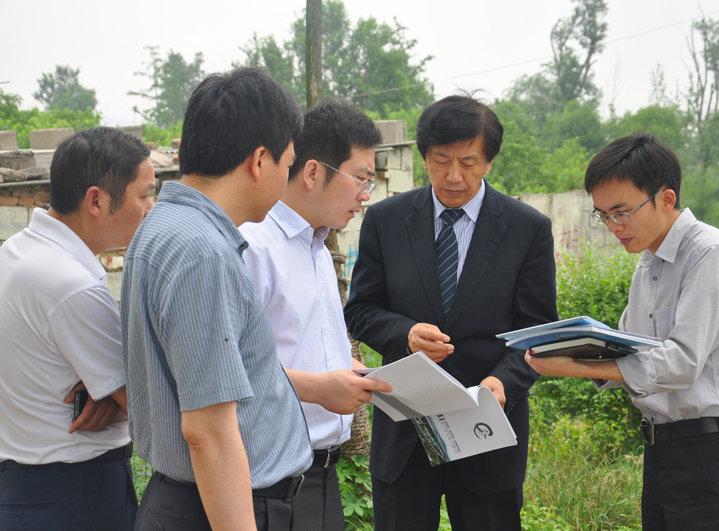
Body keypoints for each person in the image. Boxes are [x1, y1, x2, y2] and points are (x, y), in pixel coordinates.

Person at [526, 133, 719, 531]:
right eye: (602, 215)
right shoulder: (649, 262)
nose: (612, 226)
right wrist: (573, 346)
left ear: (666, 199)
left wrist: (576, 367)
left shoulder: (710, 253)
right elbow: (629, 346)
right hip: (662, 454)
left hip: (713, 457)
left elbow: (680, 362)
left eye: (621, 212)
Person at [344, 94, 559, 531]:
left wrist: (504, 382)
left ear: (490, 162)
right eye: (441, 160)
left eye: (469, 161)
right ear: (424, 157)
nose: (454, 176)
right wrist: (404, 334)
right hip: (405, 428)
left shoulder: (526, 229)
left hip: (487, 427)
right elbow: (361, 311)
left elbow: (536, 330)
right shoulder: (386, 220)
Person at [121, 67, 313, 531]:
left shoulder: (164, 227)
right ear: (259, 160)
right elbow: (208, 433)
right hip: (218, 509)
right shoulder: (201, 252)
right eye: (288, 164)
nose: (287, 178)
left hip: (192, 500)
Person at [239, 99, 392, 531]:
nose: (366, 195)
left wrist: (347, 372)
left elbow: (301, 346)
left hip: (323, 474)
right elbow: (226, 370)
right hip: (267, 483)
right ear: (312, 172)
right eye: (362, 180)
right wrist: (318, 387)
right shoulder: (253, 247)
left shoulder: (321, 249)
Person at [0, 127, 155, 531]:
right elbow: (146, 405)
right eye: (143, 195)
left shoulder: (15, 252)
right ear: (96, 200)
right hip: (77, 492)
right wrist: (117, 397)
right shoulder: (71, 286)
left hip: (24, 486)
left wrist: (106, 390)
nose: (150, 208)